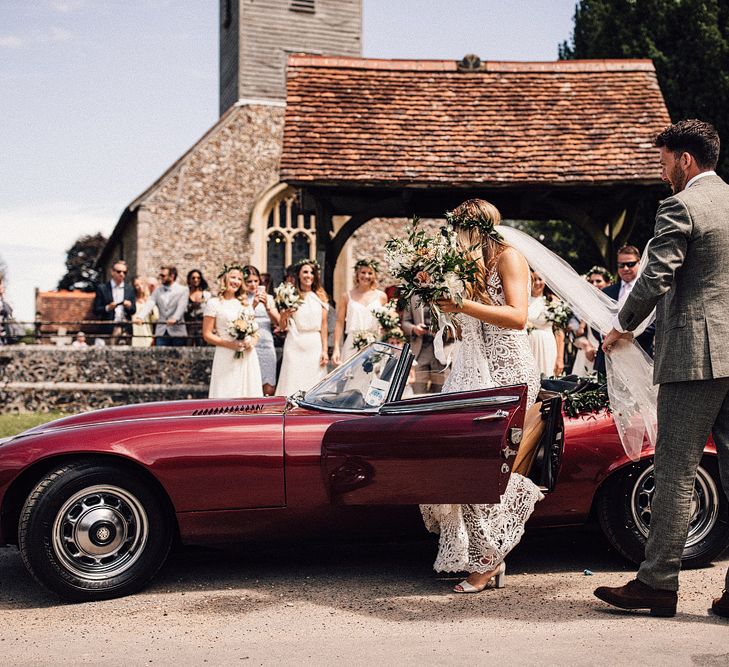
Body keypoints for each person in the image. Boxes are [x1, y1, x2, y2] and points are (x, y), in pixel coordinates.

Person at [596, 119, 729, 619]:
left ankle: (656, 584)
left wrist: (622, 325)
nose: (662, 170)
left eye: (664, 160)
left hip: (695, 356)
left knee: (674, 470)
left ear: (686, 161)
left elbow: (655, 274)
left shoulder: (682, 205)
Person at [420, 198, 542, 594]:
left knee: (486, 466)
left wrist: (462, 303)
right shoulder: (467, 266)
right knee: (462, 462)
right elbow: (467, 317)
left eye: (462, 229)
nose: (457, 238)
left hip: (509, 369)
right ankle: (485, 553)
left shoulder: (510, 258)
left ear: (479, 228)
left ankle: (489, 559)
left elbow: (517, 315)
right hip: (474, 368)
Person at [202, 264, 262, 399]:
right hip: (225, 353)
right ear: (225, 279)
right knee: (226, 393)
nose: (236, 281)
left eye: (239, 279)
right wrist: (230, 345)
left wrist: (251, 342)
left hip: (247, 355)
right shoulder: (214, 303)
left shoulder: (245, 303)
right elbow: (207, 334)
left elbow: (255, 332)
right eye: (233, 277)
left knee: (249, 395)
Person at [594, 246, 655, 375]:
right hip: (607, 358)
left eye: (630, 264)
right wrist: (605, 334)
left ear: (639, 263)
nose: (625, 269)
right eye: (621, 265)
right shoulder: (606, 292)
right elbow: (594, 322)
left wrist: (626, 335)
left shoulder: (648, 293)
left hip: (639, 356)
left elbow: (654, 323)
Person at [276, 259, 329, 396]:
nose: (308, 275)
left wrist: (324, 350)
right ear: (298, 274)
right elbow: (282, 326)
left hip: (314, 344)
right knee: (292, 380)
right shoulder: (290, 295)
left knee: (313, 381)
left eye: (312, 272)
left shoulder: (320, 296)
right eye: (305, 272)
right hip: (295, 342)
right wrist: (285, 315)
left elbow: (324, 326)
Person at [332, 258, 387, 365]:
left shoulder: (381, 297)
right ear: (357, 274)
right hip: (352, 343)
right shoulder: (346, 296)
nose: (366, 276)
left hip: (374, 342)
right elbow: (339, 323)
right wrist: (336, 348)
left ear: (374, 276)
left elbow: (385, 323)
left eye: (370, 273)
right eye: (363, 272)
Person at [401, 299, 451, 393]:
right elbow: (405, 323)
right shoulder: (413, 296)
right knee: (418, 392)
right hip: (420, 351)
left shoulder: (445, 293)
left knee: (442, 392)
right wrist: (414, 329)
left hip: (442, 351)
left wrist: (442, 332)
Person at [243, 265, 280, 396]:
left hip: (266, 343)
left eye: (256, 281)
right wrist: (253, 305)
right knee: (251, 382)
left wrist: (267, 306)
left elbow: (278, 322)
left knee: (269, 385)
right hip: (250, 343)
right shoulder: (241, 299)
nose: (253, 285)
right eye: (249, 281)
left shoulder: (268, 298)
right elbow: (241, 320)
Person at [570, 267, 612, 375]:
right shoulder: (583, 306)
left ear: (608, 282)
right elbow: (575, 334)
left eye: (598, 281)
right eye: (591, 281)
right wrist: (586, 345)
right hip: (587, 354)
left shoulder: (614, 305)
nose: (594, 284)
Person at [134, 266, 189, 346]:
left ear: (172, 276)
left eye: (163, 276)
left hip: (177, 331)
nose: (161, 278)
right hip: (161, 331)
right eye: (160, 275)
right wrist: (140, 317)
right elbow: (150, 303)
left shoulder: (183, 290)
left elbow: (182, 306)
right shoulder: (157, 291)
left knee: (178, 357)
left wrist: (175, 318)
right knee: (160, 356)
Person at [527, 271, 564, 377]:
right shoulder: (523, 299)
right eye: (534, 279)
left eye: (540, 279)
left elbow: (559, 332)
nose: (537, 282)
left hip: (546, 345)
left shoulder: (553, 301)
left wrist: (560, 358)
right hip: (527, 343)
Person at [93, 260, 136, 345]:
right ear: (112, 272)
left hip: (125, 329)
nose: (122, 274)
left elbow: (133, 310)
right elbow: (95, 310)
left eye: (125, 272)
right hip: (108, 328)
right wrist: (107, 308)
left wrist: (129, 306)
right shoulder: (102, 288)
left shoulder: (129, 289)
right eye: (119, 271)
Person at [185, 269, 211, 346]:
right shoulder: (185, 295)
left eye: (198, 278)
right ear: (189, 280)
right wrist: (192, 307)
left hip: (201, 325)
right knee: (188, 347)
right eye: (193, 278)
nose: (196, 280)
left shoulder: (206, 295)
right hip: (188, 326)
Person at [131, 276, 157, 348]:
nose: (139, 287)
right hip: (135, 333)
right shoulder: (132, 301)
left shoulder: (150, 300)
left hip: (148, 332)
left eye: (141, 284)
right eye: (137, 285)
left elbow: (155, 318)